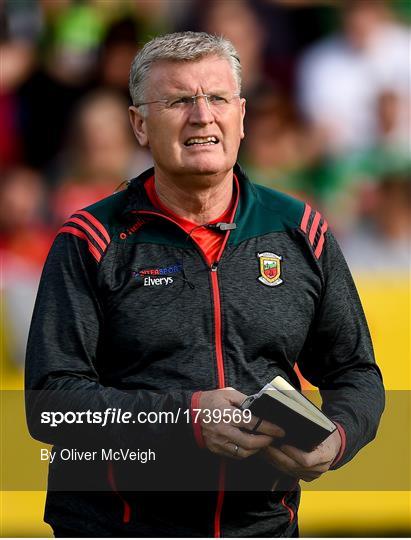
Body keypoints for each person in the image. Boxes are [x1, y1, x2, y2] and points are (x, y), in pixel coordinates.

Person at [25, 31, 384, 538]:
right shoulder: (90, 240)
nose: (201, 116)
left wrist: (337, 438)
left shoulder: (300, 230)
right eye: (177, 101)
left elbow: (356, 374)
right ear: (140, 125)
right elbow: (52, 407)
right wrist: (185, 419)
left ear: (241, 116)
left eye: (216, 98)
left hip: (263, 528)